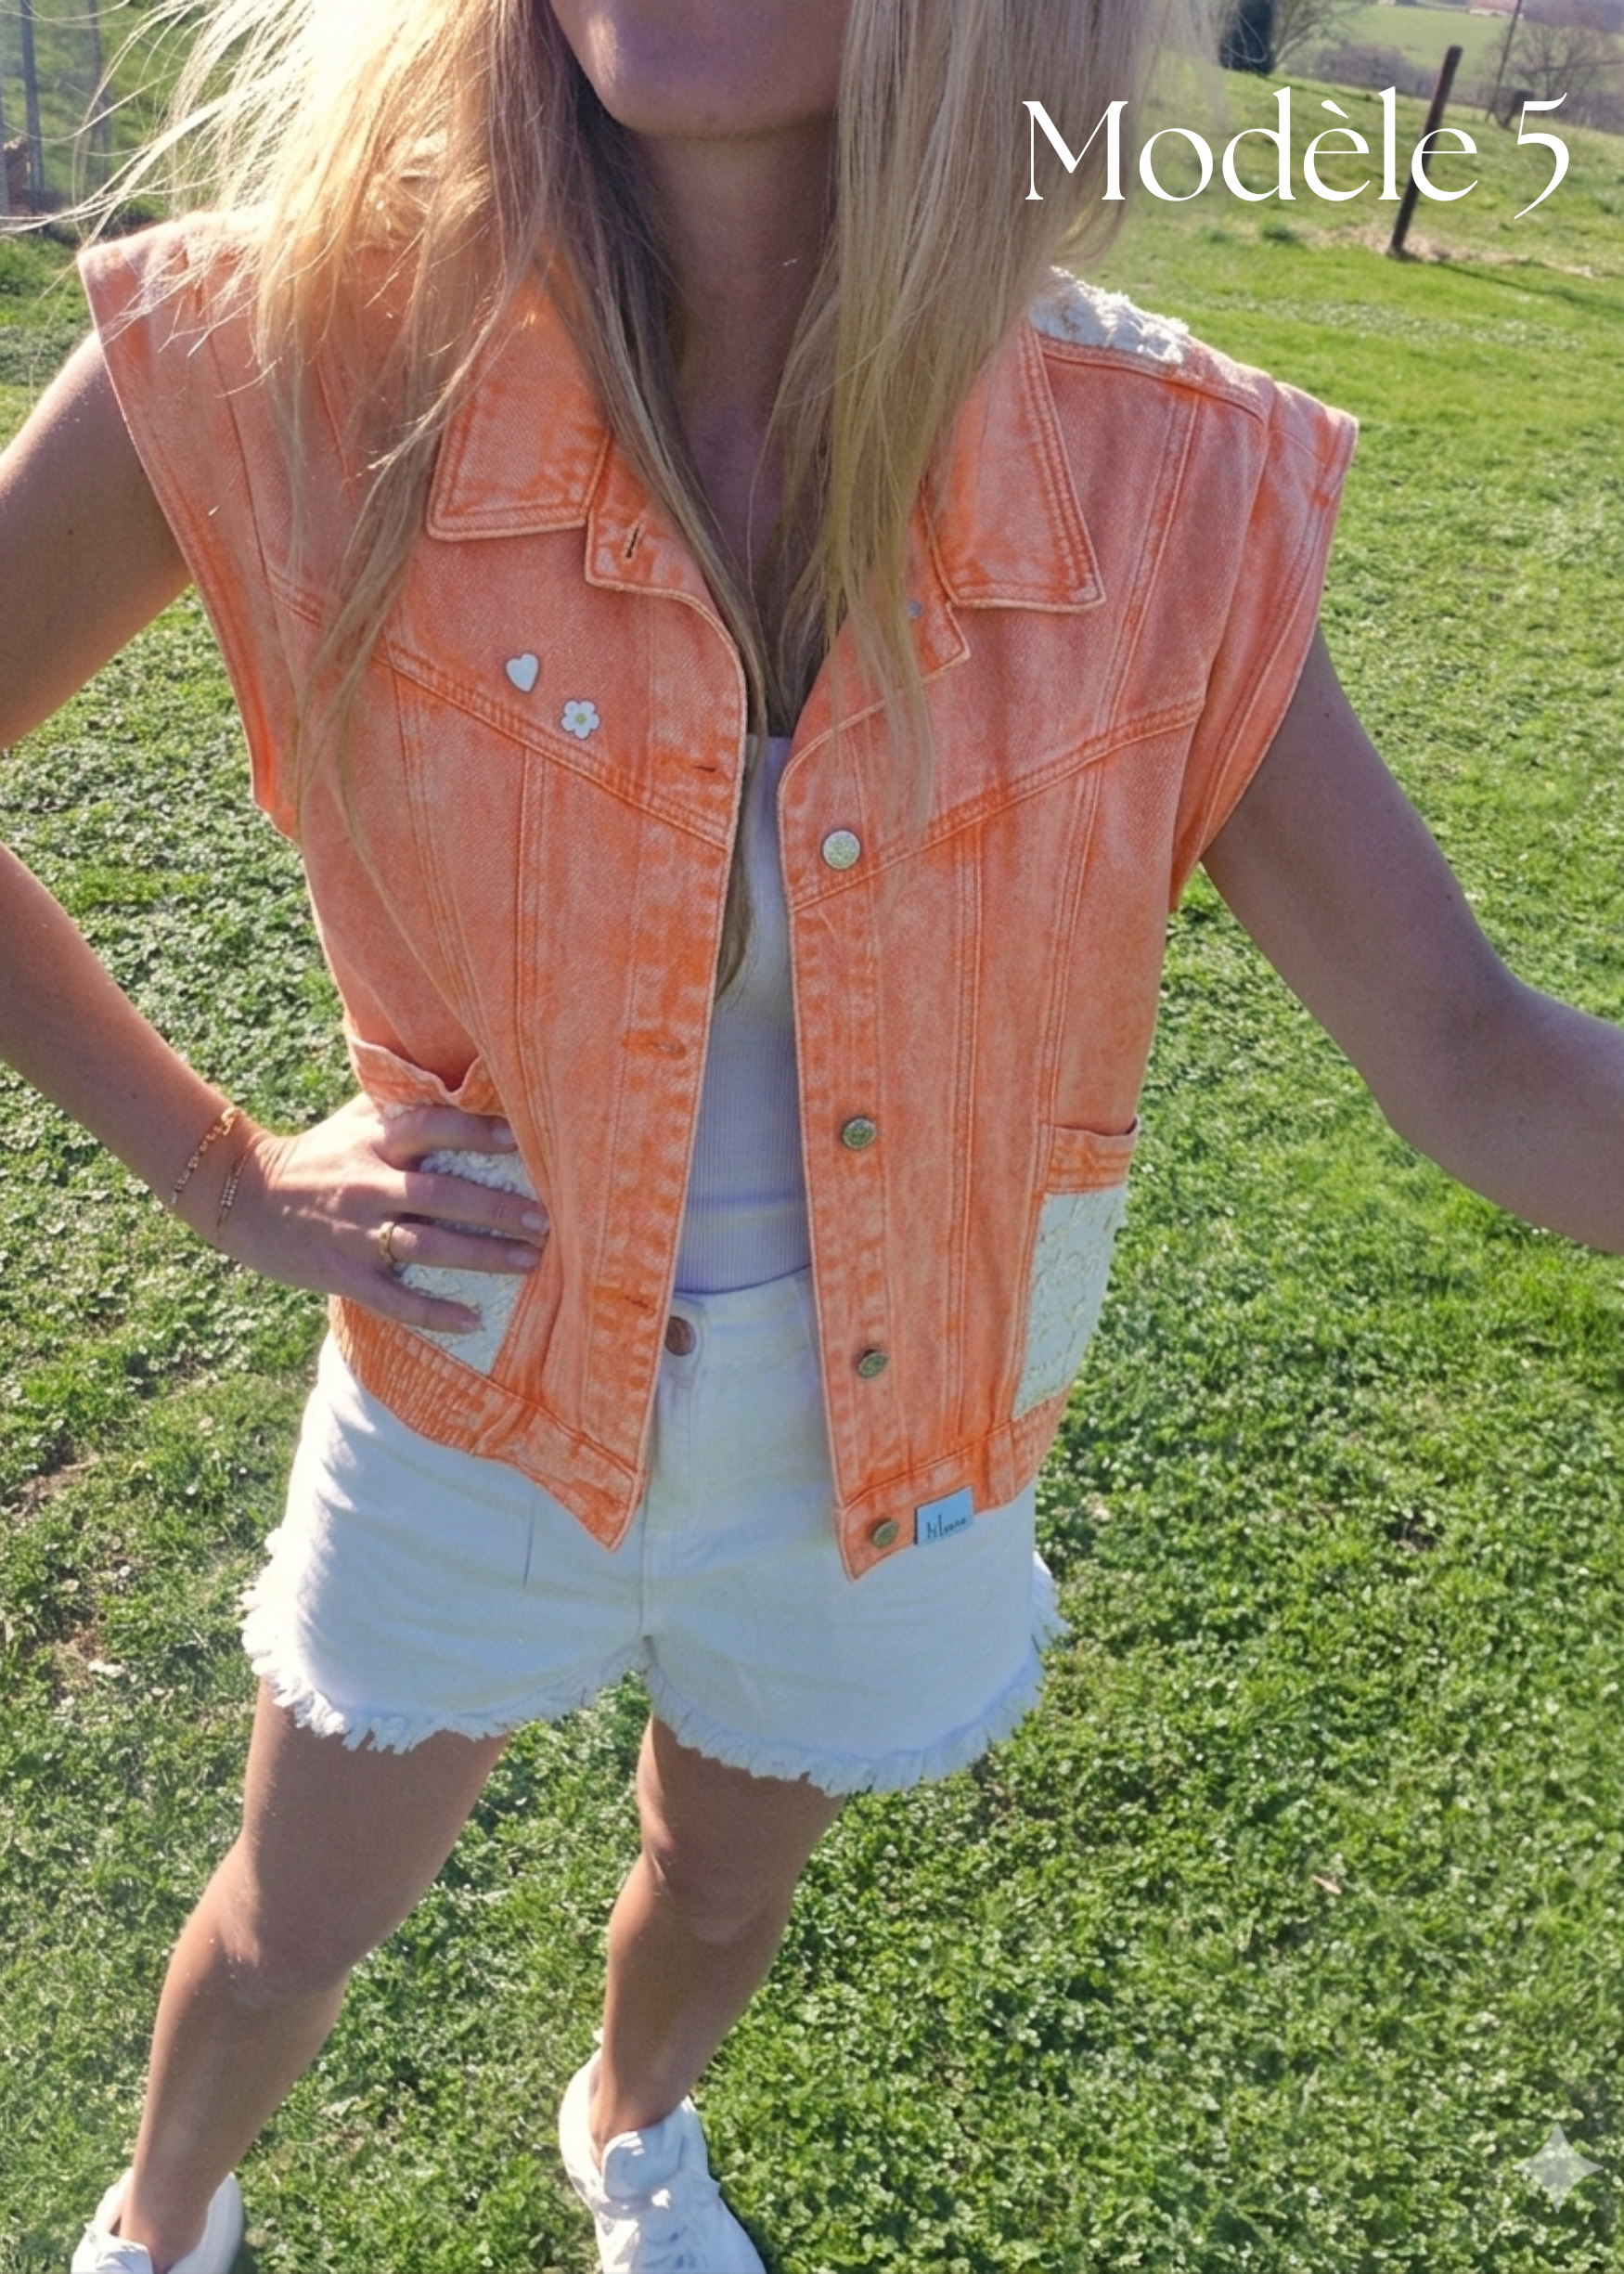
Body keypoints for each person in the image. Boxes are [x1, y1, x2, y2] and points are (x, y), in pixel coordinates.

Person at [3, 2, 1621, 2268]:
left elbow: (1469, 1047)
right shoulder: (290, 359)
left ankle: (631, 2134)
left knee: (715, 1887)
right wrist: (219, 1169)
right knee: (288, 1923)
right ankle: (163, 2220)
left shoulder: (1160, 488)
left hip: (893, 1440)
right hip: (470, 1377)